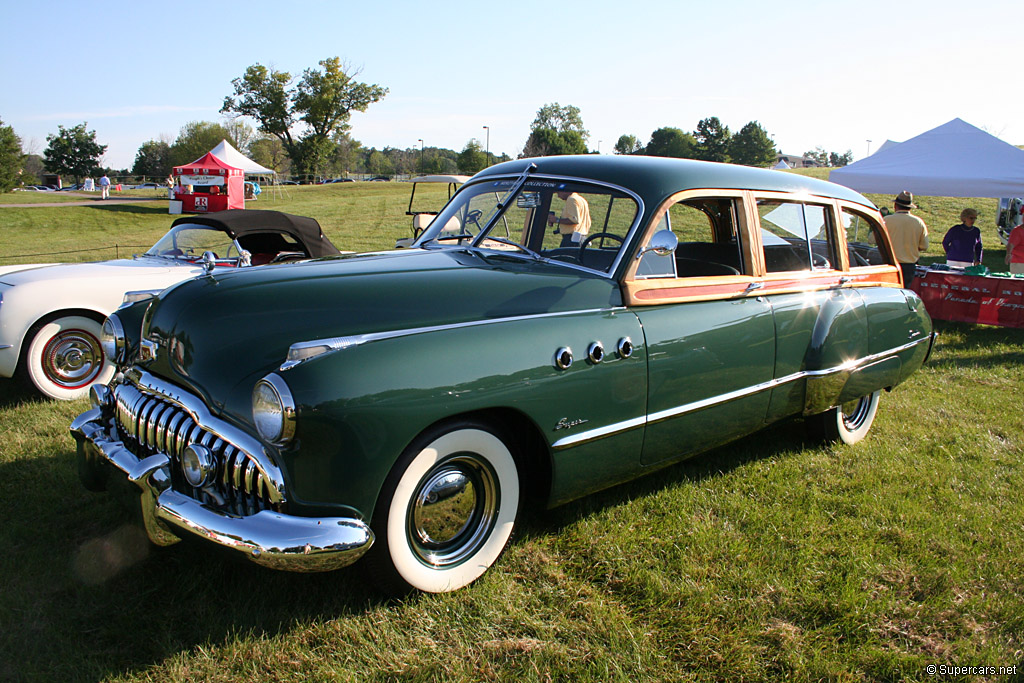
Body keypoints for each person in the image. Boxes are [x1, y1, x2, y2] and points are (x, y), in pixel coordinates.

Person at [883, 191, 928, 285]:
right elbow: (924, 246)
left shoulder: (887, 220)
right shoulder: (918, 222)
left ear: (895, 205)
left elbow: (872, 240)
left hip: (889, 264)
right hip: (908, 266)